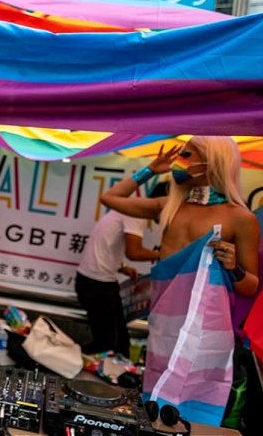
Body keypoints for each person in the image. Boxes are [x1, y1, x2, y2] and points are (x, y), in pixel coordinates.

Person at [100, 136, 259, 426]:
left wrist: (233, 267)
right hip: (164, 324)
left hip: (205, 330)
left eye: (186, 155)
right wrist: (150, 169)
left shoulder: (240, 218)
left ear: (214, 162)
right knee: (156, 402)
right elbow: (110, 199)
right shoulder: (170, 206)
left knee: (195, 407)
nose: (178, 162)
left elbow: (250, 286)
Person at [75, 200, 161, 357]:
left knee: (118, 343)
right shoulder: (135, 214)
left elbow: (106, 245)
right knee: (110, 346)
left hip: (95, 282)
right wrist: (166, 255)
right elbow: (134, 252)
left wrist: (122, 267)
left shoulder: (128, 210)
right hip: (97, 285)